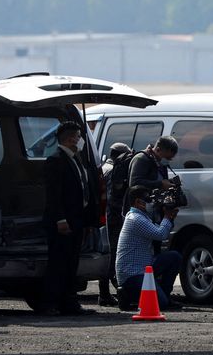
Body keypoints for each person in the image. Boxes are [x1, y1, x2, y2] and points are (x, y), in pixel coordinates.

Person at [38, 121, 98, 316]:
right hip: (62, 222)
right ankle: (50, 302)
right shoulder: (55, 160)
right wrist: (60, 219)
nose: (80, 140)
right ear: (70, 138)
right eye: (79, 137)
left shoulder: (77, 159)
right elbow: (53, 195)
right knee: (58, 263)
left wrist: (88, 221)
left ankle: (69, 302)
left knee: (72, 264)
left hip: (77, 220)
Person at [115, 186, 182, 311]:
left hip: (144, 268)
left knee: (174, 257)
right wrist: (167, 217)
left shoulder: (142, 217)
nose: (152, 202)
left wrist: (170, 217)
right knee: (159, 304)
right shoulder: (136, 219)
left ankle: (164, 295)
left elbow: (160, 231)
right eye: (148, 199)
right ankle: (126, 295)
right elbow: (160, 234)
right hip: (132, 275)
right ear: (138, 202)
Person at [98, 142, 132, 307]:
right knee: (113, 255)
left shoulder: (103, 168)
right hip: (113, 218)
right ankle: (108, 293)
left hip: (103, 218)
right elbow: (113, 198)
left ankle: (104, 293)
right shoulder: (114, 171)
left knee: (106, 254)